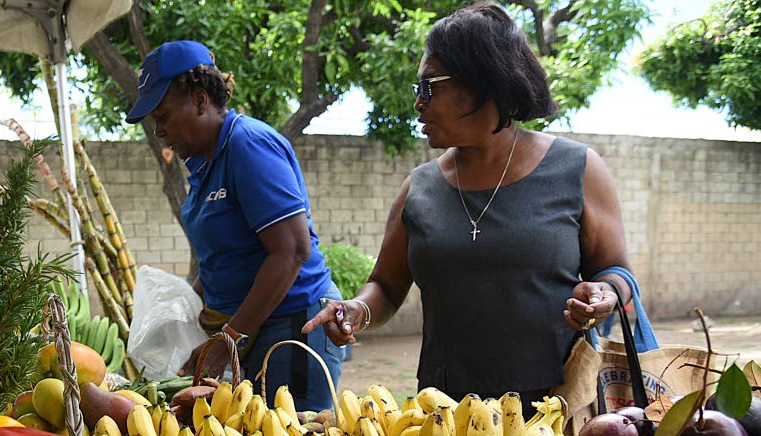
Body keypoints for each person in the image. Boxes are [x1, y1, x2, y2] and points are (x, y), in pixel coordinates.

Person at [302, 1, 642, 412]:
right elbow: (387, 287)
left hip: (557, 410)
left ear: (483, 82)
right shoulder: (419, 188)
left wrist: (603, 293)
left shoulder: (577, 169)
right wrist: (357, 309)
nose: (418, 103)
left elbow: (617, 272)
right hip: (447, 413)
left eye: (429, 86)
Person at [126, 40, 343, 412]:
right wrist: (188, 305)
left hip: (291, 329)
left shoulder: (248, 145)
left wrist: (228, 340)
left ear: (198, 99)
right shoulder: (203, 165)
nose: (159, 131)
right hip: (249, 332)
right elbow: (227, 255)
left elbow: (292, 250)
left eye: (163, 116)